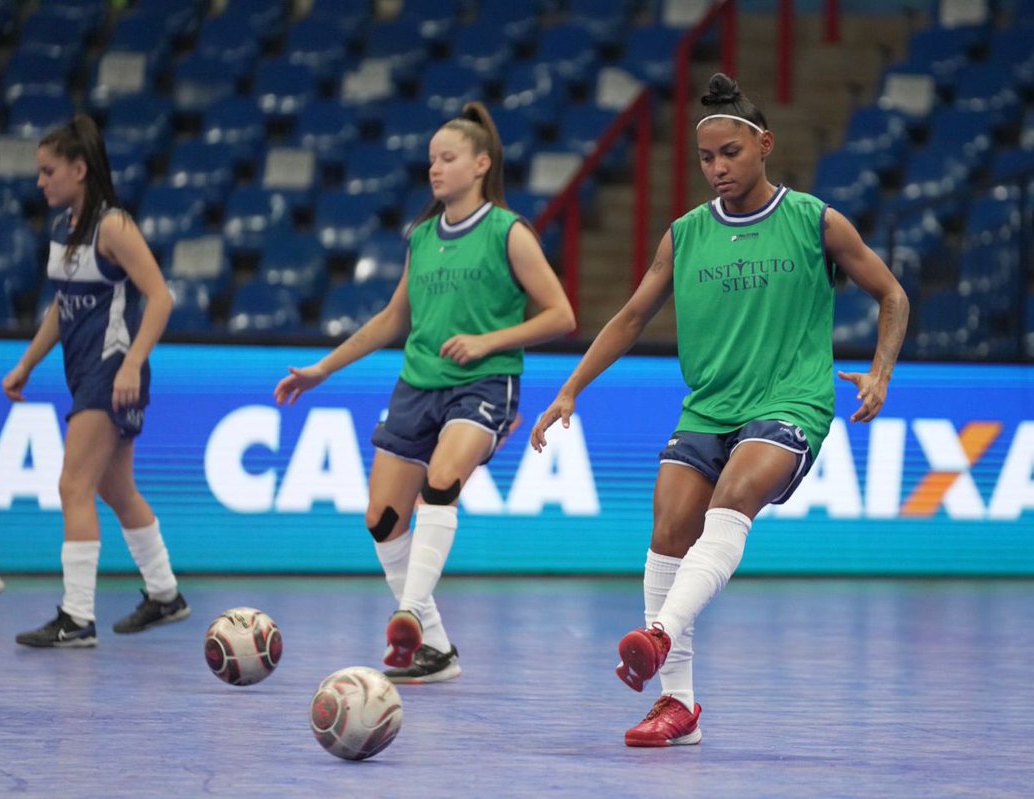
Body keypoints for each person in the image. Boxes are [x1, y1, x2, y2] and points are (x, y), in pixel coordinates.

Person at [531, 73, 909, 747]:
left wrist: (880, 371)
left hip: (790, 399)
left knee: (732, 495)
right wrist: (571, 388)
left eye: (731, 152)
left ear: (764, 144)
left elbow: (892, 294)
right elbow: (629, 317)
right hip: (710, 407)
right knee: (669, 526)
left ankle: (657, 633)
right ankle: (677, 706)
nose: (718, 168)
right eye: (707, 158)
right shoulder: (685, 235)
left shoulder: (815, 221)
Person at [274, 102, 575, 683]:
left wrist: (489, 341)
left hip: (484, 384)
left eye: (447, 158)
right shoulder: (421, 237)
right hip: (418, 383)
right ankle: (435, 649)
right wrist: (322, 370)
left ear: (481, 164)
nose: (434, 169)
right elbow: (392, 320)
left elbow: (561, 314)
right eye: (431, 159)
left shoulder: (507, 232)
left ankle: (408, 612)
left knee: (440, 485)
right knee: (382, 517)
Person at [3, 115, 190, 648]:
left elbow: (161, 297)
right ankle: (165, 595)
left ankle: (77, 616)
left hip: (112, 374)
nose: (40, 181)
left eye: (48, 171)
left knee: (73, 486)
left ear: (79, 170)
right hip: (83, 372)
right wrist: (27, 364)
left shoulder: (114, 226)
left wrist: (132, 364)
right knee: (113, 486)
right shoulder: (64, 229)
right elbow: (62, 309)